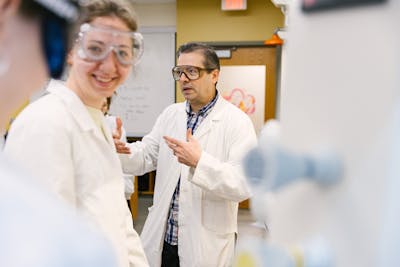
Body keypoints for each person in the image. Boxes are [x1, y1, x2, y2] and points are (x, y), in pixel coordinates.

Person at [4, 0, 149, 266]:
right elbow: (42, 248)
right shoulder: (46, 123)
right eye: (95, 49)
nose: (109, 66)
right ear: (70, 51)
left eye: (122, 53)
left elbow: (120, 223)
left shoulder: (99, 123)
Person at [116, 42, 258, 267]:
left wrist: (200, 162)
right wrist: (120, 151)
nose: (183, 78)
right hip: (164, 240)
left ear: (214, 75)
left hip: (205, 246)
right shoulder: (171, 114)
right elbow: (146, 155)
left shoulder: (237, 122)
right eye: (179, 72)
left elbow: (244, 184)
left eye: (192, 71)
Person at [102, 97, 135, 206]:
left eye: (105, 105)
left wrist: (126, 191)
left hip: (116, 189)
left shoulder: (113, 123)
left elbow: (124, 157)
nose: (101, 108)